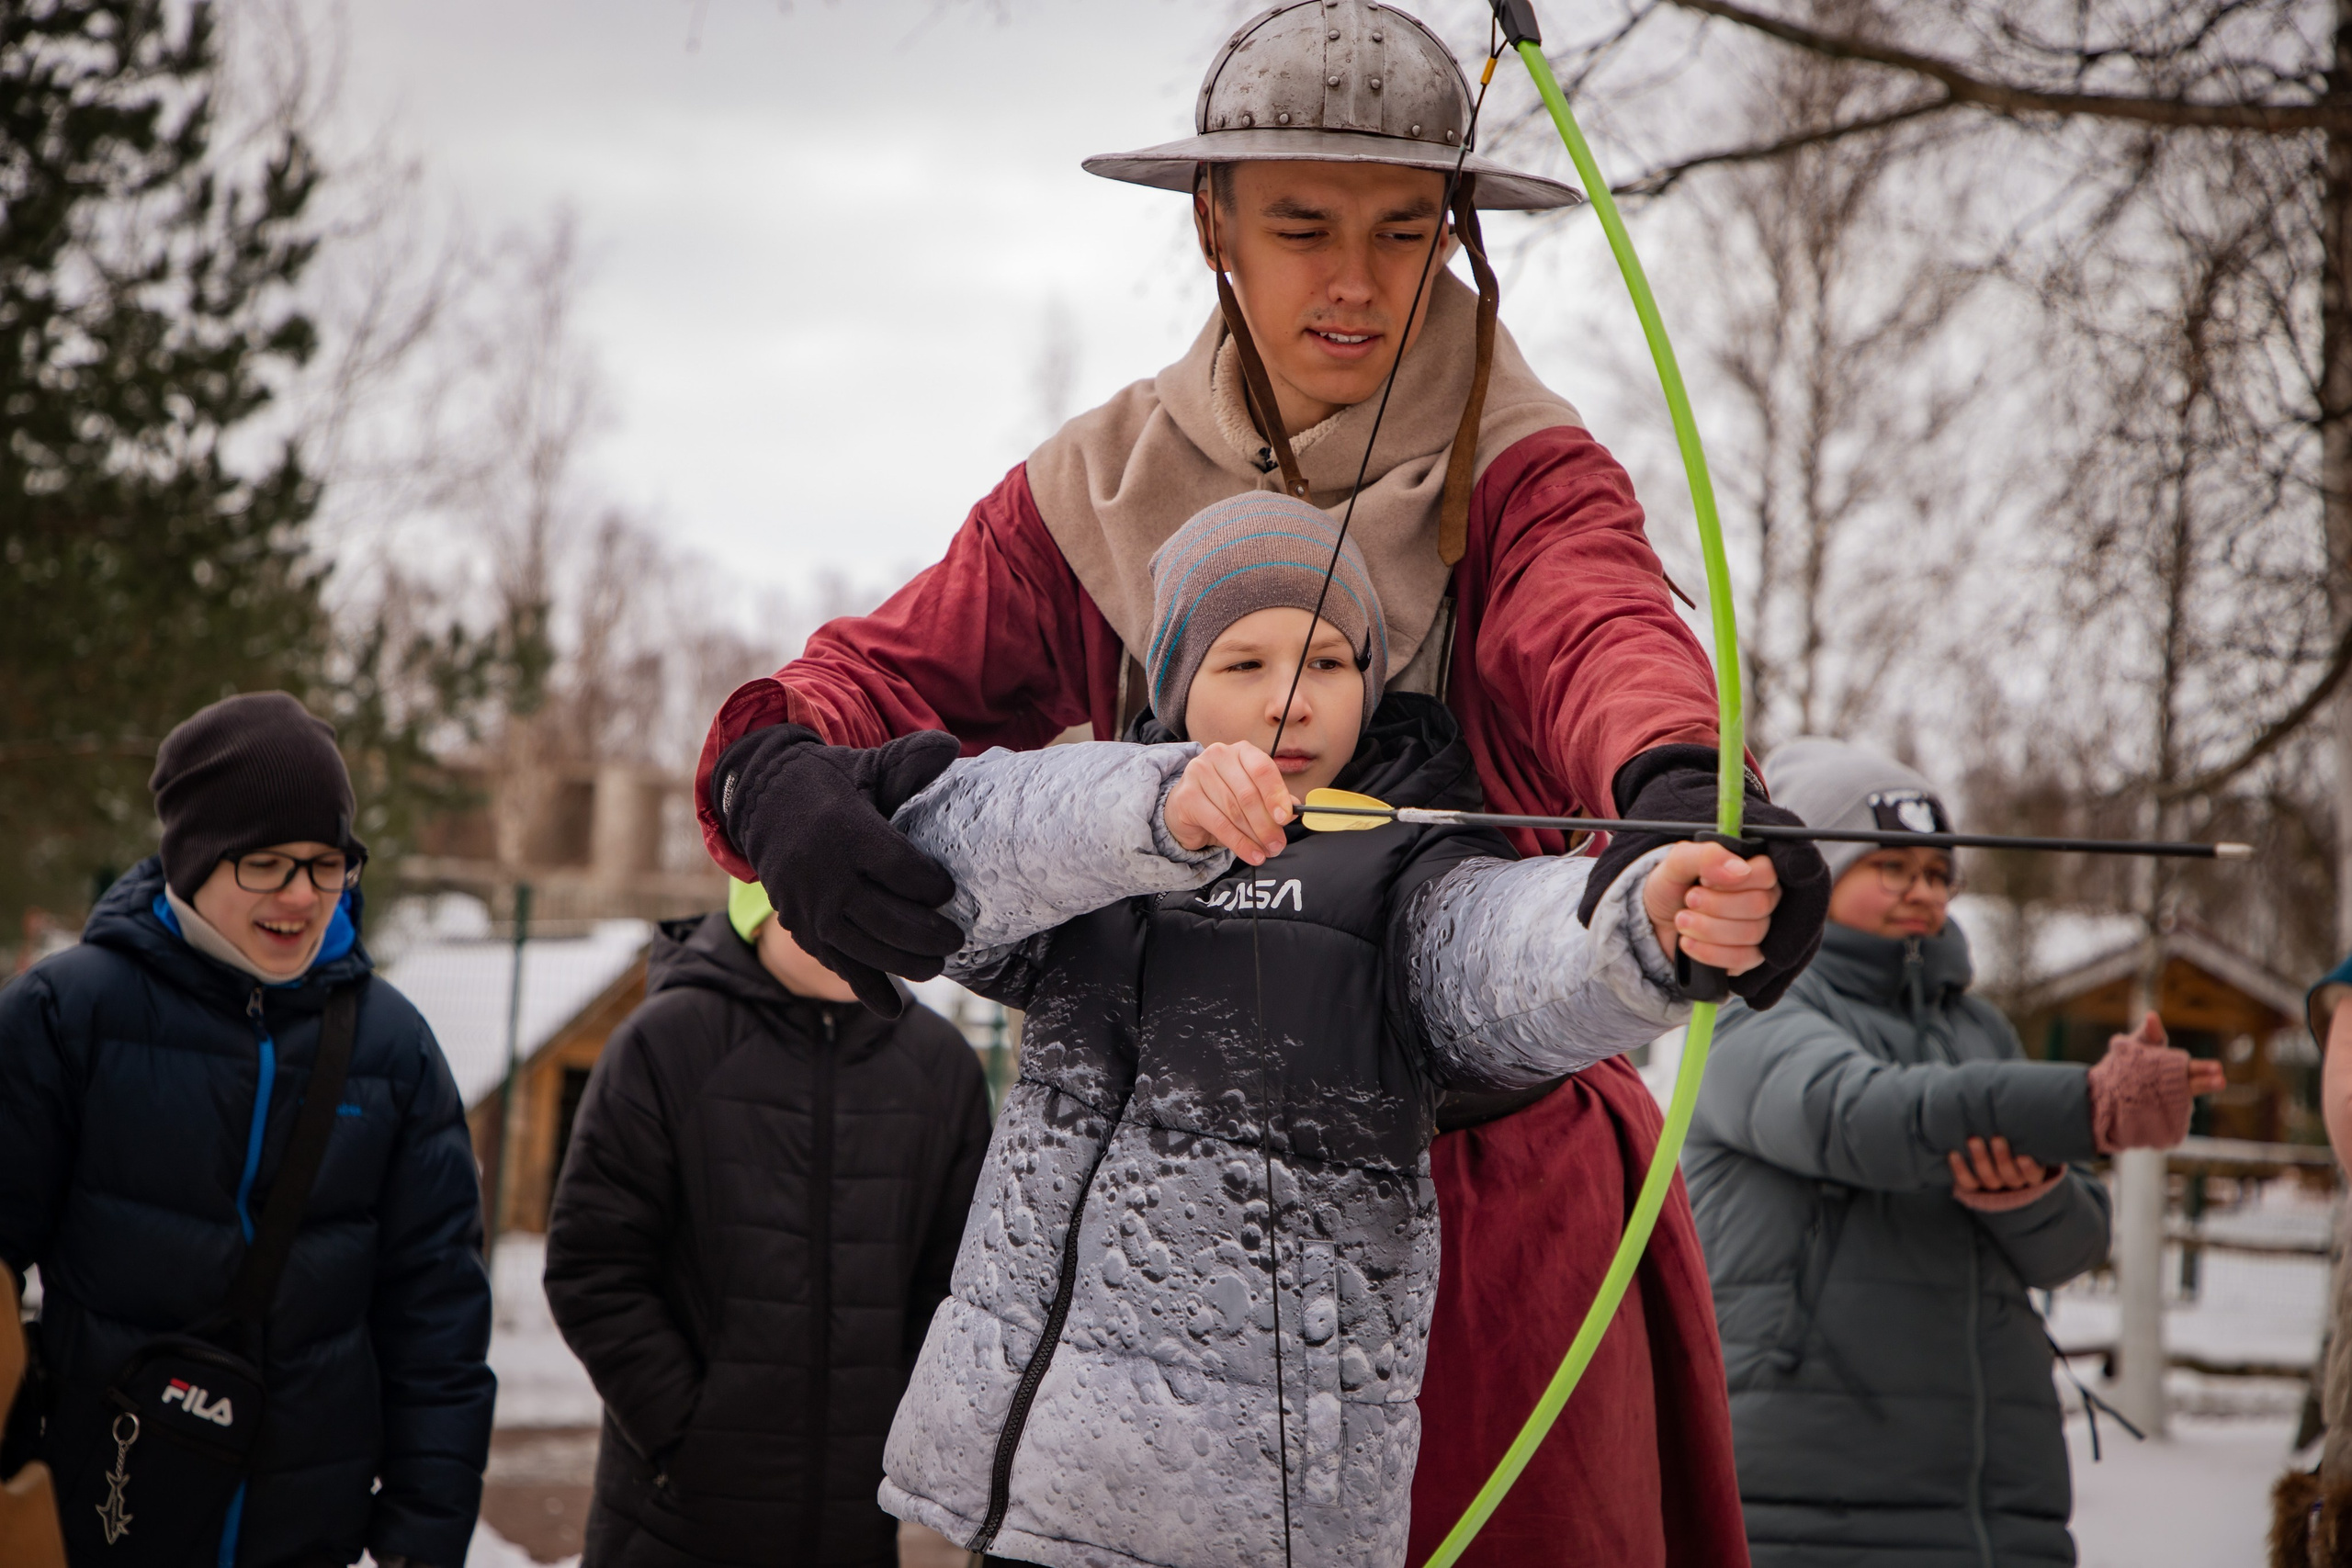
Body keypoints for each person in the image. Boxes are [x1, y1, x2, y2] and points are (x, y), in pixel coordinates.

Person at [695, 6, 1829, 1559]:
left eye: (1404, 227)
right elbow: (876, 678)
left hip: (1482, 1220)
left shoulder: (1528, 469)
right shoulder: (1096, 484)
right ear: (1214, 225)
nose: (1356, 282)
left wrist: (1683, 781)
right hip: (1163, 1239)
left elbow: (1600, 629)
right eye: (1300, 225)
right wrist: (781, 774)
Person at [872, 493, 1781, 1568]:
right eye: (1242, 666)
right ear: (1177, 689)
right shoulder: (1098, 856)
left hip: (1235, 1525)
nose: (1289, 704)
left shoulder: (1403, 876)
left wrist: (1644, 922)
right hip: (984, 1492)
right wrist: (1155, 812)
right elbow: (941, 851)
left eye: (1329, 665)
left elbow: (1503, 951)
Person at [1686, 737, 2226, 1568]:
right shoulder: (1751, 1003)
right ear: (1816, 868)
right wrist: (2083, 1106)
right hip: (1803, 1493)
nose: (1922, 890)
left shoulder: (1979, 1026)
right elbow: (1857, 1116)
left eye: (1938, 873)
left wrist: (2032, 1192)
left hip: (1997, 1497)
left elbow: (2077, 1241)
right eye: (1891, 865)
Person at [0, 691, 494, 1568]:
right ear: (193, 859)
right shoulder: (65, 1015)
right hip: (103, 1518)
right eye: (265, 862)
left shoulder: (396, 1047)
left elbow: (437, 1314)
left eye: (326, 862)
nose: (301, 896)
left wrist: (426, 1532)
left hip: (303, 1533)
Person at [542, 877, 991, 1568]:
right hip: (671, 1523)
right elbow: (592, 1265)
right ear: (766, 893)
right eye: (833, 887)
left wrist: (886, 1431)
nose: (852, 925)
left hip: (849, 1529)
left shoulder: (943, 1069)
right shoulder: (665, 1042)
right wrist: (686, 1433)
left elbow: (955, 1289)